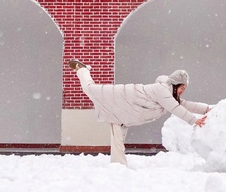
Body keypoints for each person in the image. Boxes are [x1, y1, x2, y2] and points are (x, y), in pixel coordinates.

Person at [68, 59, 211, 165]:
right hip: (122, 99)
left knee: (117, 130)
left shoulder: (169, 94)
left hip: (125, 110)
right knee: (90, 89)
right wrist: (194, 120)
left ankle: (118, 164)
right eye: (182, 87)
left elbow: (185, 104)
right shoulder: (162, 90)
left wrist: (206, 109)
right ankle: (83, 70)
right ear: (175, 84)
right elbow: (176, 108)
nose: (183, 91)